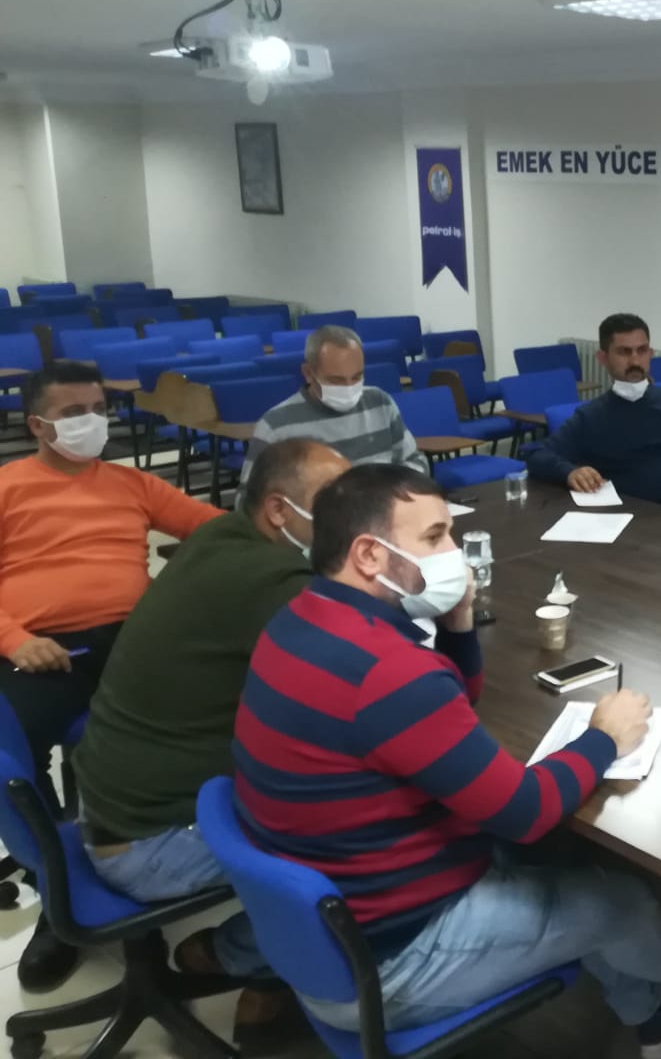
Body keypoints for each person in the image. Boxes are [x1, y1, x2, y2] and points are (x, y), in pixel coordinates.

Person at [233, 465, 661, 1056]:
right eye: (435, 537)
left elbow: (447, 705)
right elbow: (526, 811)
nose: (453, 551)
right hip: (389, 963)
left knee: (559, 856)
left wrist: (457, 624)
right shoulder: (390, 672)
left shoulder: (300, 618)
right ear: (369, 555)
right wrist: (605, 737)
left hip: (328, 932)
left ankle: (654, 1013)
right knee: (621, 901)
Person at [70, 438, 349, 1045]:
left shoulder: (221, 536)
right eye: (334, 501)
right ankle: (241, 955)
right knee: (367, 830)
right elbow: (361, 668)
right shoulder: (271, 578)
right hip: (150, 843)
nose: (351, 512)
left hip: (113, 803)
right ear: (279, 510)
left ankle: (249, 952)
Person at [0, 360, 223, 991]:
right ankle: (58, 892)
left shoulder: (131, 483)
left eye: (98, 409)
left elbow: (214, 528)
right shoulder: (8, 486)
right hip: (40, 650)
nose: (91, 422)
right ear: (37, 424)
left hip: (132, 643)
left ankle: (167, 854)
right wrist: (16, 640)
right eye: (74, 413)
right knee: (13, 765)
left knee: (204, 724)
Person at [526, 313, 661, 511]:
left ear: (650, 354)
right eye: (624, 352)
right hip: (630, 519)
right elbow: (537, 455)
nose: (635, 361)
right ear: (603, 358)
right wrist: (569, 472)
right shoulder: (591, 416)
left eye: (642, 351)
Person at [240, 325, 425, 485]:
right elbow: (249, 501)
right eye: (336, 381)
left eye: (357, 377)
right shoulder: (276, 426)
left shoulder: (380, 403)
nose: (349, 387)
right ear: (308, 373)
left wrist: (391, 491)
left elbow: (415, 461)